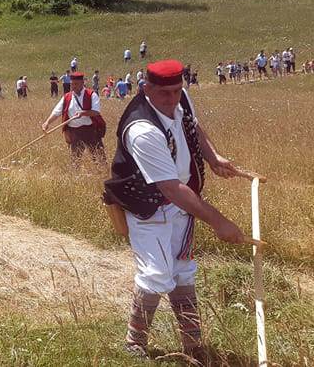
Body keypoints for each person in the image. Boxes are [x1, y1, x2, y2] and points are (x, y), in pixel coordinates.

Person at [103, 59, 247, 363]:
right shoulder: (142, 129)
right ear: (146, 89)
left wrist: (213, 158)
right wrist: (219, 222)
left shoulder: (180, 99)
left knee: (182, 272)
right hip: (149, 206)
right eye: (164, 94)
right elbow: (170, 188)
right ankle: (134, 341)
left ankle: (193, 345)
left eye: (177, 92)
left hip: (181, 205)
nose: (172, 100)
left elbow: (192, 123)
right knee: (156, 274)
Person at [41, 72, 106, 161]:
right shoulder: (67, 97)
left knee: (99, 158)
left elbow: (96, 112)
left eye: (76, 84)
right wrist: (47, 122)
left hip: (90, 131)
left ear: (82, 83)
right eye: (72, 84)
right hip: (75, 133)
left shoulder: (91, 94)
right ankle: (75, 174)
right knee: (75, 161)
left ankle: (102, 173)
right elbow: (57, 112)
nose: (73, 86)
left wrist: (83, 113)